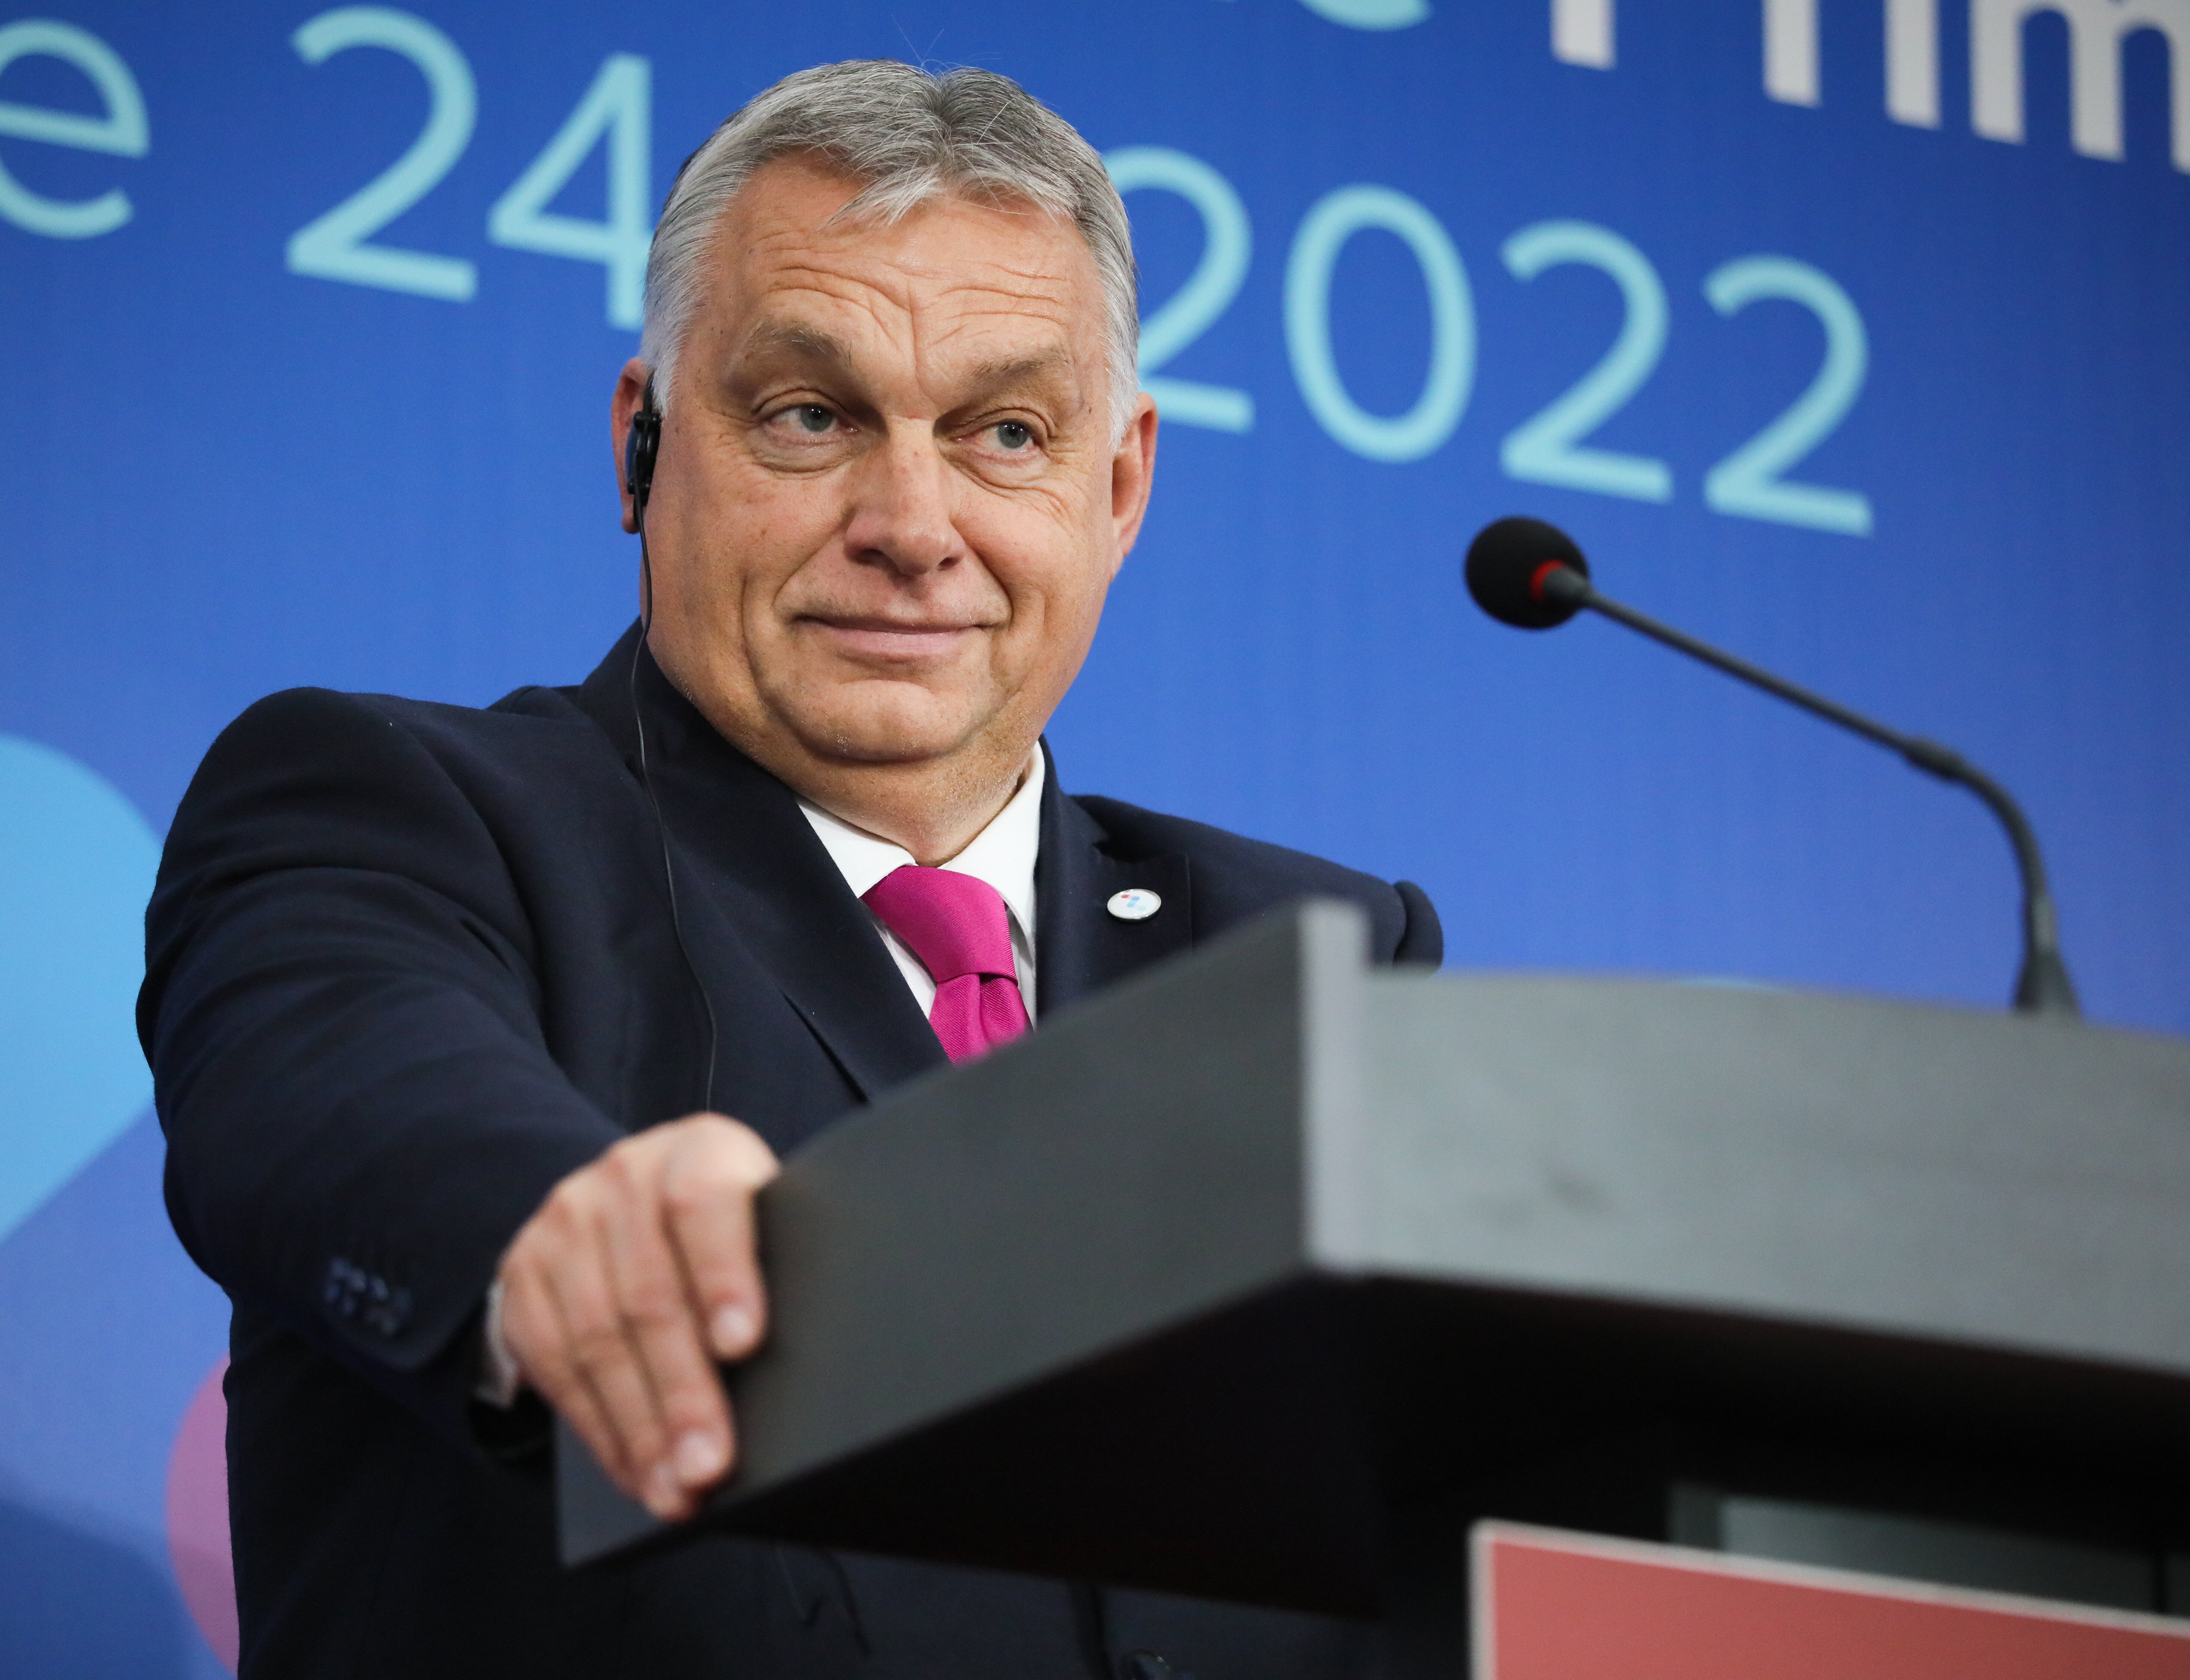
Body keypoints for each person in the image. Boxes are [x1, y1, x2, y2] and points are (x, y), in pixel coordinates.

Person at [140, 59, 1440, 1680]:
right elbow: (338, 1079)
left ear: (1119, 489)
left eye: (1007, 432)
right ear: (644, 444)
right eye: (812, 415)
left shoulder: (1319, 953)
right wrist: (553, 1225)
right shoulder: (407, 806)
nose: (913, 519)